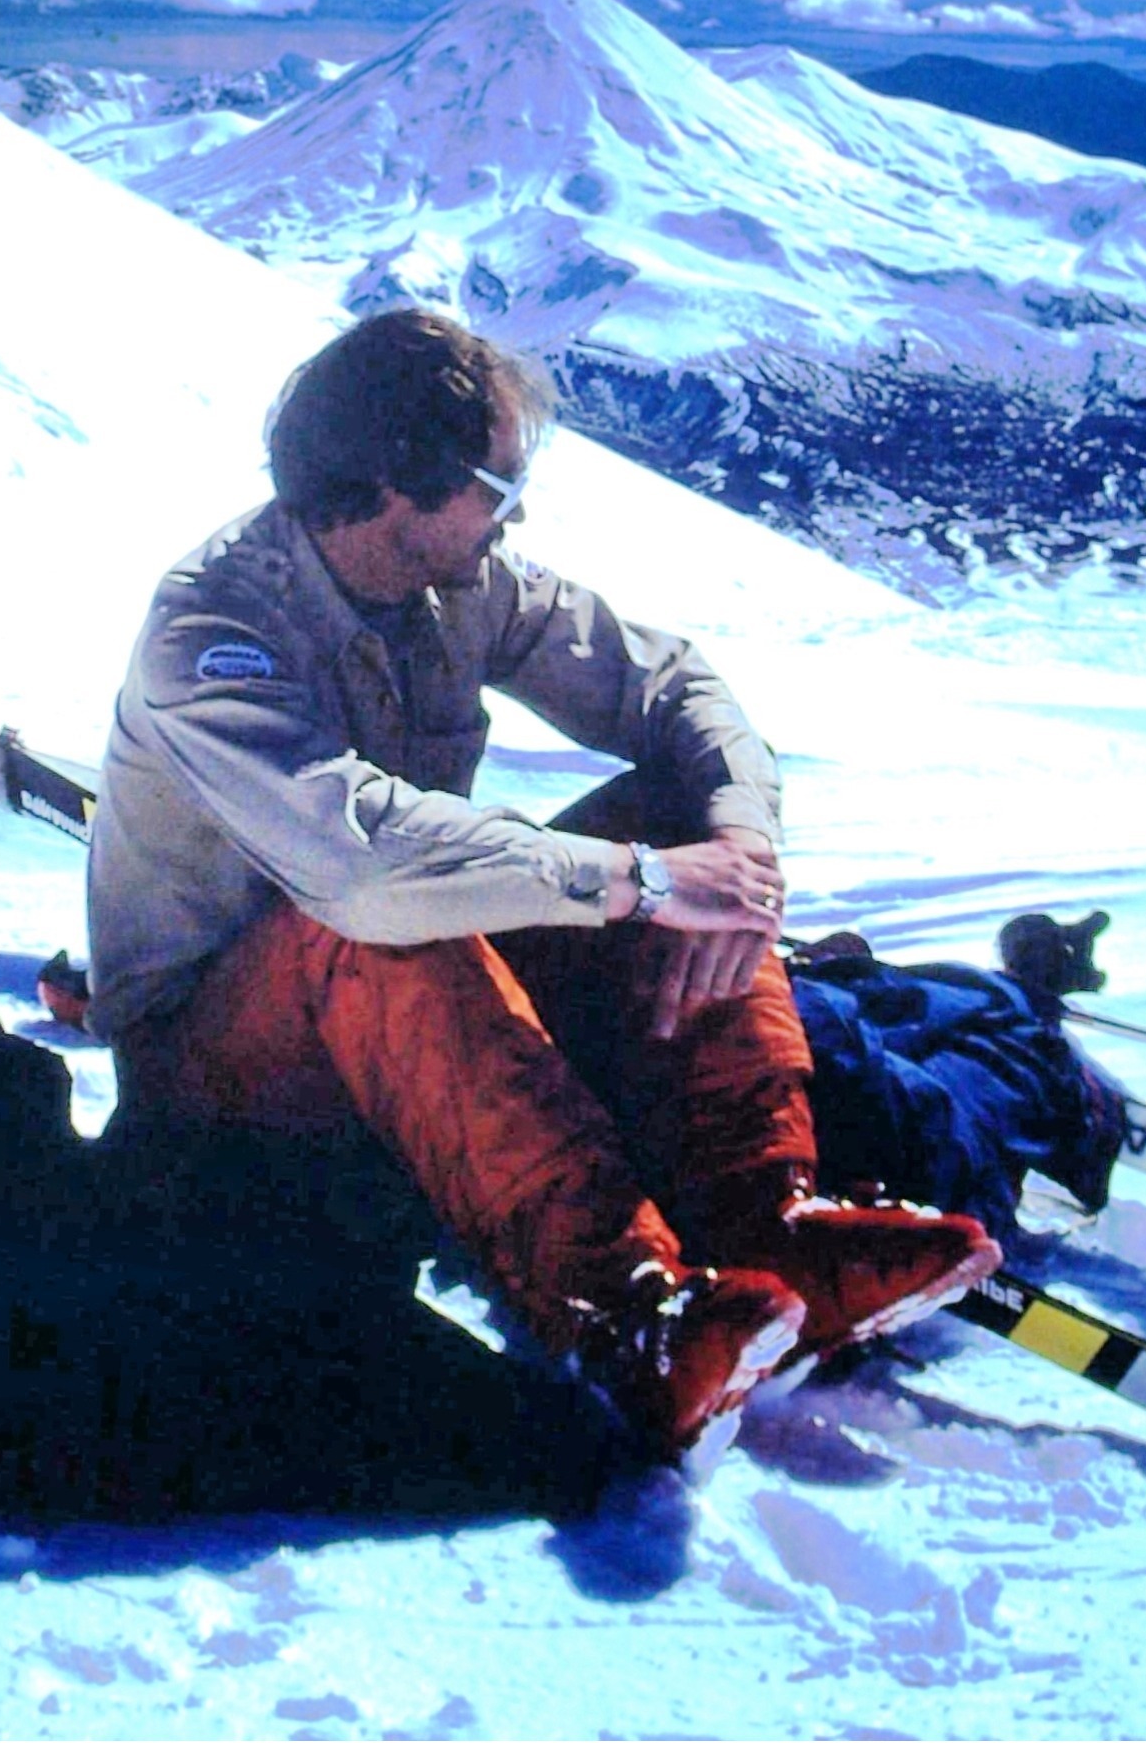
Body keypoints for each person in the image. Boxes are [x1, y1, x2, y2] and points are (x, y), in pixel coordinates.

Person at [86, 311, 999, 1464]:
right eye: (495, 485)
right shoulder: (211, 627)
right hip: (216, 1070)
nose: (518, 513)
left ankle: (769, 1226)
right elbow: (360, 870)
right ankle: (624, 1313)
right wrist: (645, 882)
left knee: (664, 811)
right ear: (393, 484)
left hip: (402, 1001)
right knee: (391, 912)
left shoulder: (456, 579)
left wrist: (728, 844)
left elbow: (671, 686)